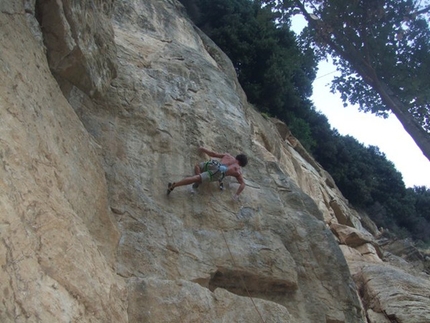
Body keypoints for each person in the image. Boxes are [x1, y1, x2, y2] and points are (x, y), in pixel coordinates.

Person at [167, 147, 248, 200]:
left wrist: (203, 149)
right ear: (242, 164)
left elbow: (213, 154)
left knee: (197, 166)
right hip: (219, 172)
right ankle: (176, 185)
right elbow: (243, 184)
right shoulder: (238, 170)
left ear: (237, 157)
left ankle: (197, 178)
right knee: (196, 178)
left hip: (214, 164)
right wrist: (236, 195)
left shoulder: (228, 156)